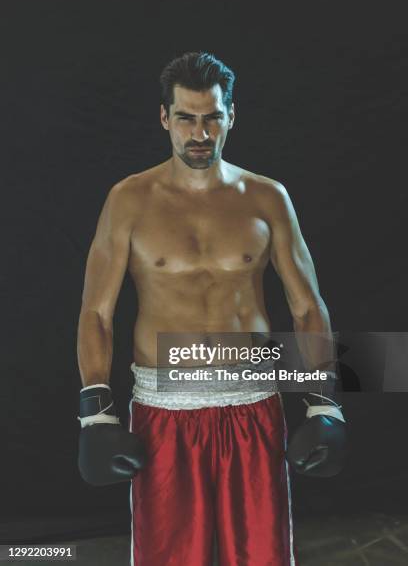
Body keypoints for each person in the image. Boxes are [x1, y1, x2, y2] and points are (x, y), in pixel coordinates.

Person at [77, 52, 346, 566]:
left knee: (263, 557)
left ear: (230, 117)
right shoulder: (128, 200)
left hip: (254, 404)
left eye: (212, 118)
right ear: (165, 118)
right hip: (164, 411)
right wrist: (95, 411)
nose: (199, 133)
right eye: (186, 118)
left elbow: (307, 306)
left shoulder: (267, 197)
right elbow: (96, 314)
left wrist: (323, 403)